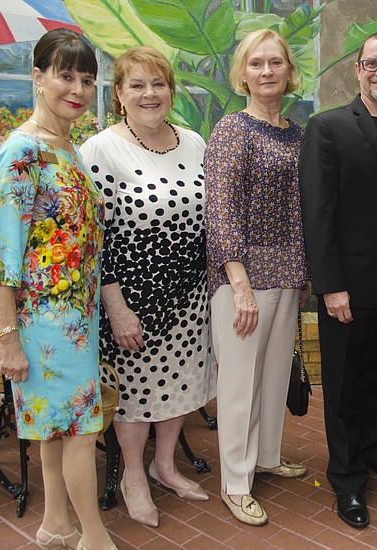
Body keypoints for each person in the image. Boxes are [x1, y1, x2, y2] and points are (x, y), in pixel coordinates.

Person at [0, 28, 118, 550]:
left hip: (75, 318)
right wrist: (8, 339)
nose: (79, 90)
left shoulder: (67, 147)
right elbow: (3, 257)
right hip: (43, 325)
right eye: (67, 76)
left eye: (87, 79)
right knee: (80, 431)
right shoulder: (22, 152)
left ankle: (56, 524)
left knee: (57, 428)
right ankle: (95, 538)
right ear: (38, 77)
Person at [79, 46, 216, 528]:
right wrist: (116, 308)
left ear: (171, 91)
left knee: (180, 384)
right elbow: (95, 239)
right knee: (136, 395)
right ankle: (133, 475)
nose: (149, 94)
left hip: (190, 296)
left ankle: (165, 466)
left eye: (158, 84)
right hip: (133, 300)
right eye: (137, 85)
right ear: (119, 94)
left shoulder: (194, 142)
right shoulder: (101, 149)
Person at [299, 32, 377, 529]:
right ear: (358, 70)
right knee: (345, 384)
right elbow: (318, 213)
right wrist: (330, 285)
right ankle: (346, 478)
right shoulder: (327, 127)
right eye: (372, 63)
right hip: (347, 285)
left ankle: (372, 451)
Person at [204, 29, 309, 527]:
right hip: (242, 279)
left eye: (275, 62)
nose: (267, 71)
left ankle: (266, 456)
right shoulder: (232, 130)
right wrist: (239, 285)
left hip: (287, 275)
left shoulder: (296, 133)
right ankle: (235, 482)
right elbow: (221, 211)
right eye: (256, 63)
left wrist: (303, 275)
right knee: (240, 384)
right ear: (242, 74)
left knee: (272, 376)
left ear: (289, 70)